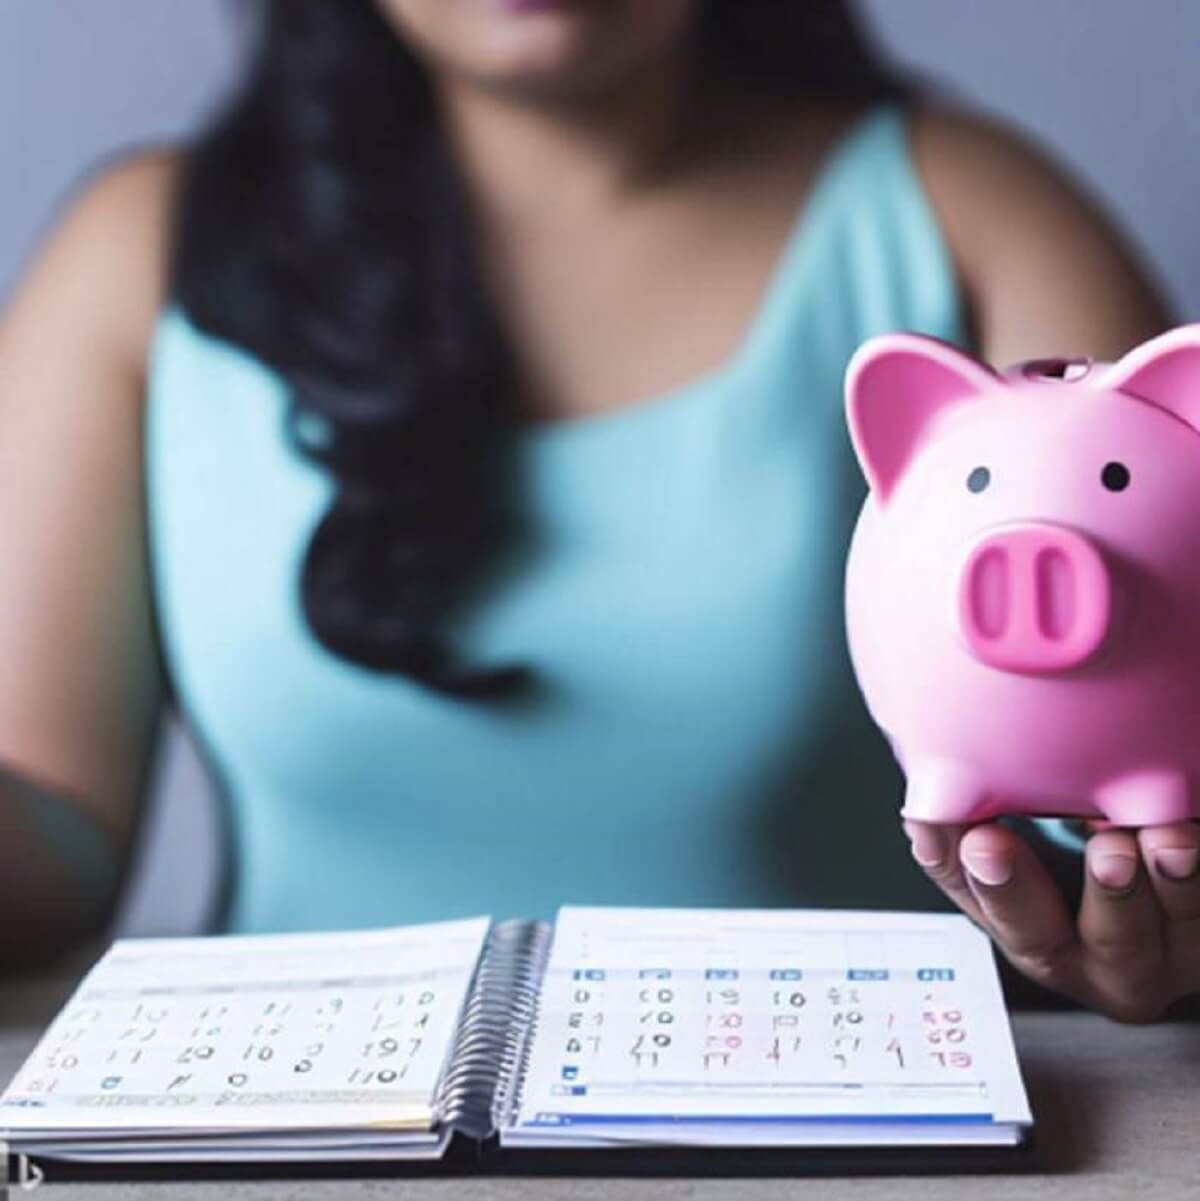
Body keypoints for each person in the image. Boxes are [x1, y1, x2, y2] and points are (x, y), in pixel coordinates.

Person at [0, 0, 1193, 1022]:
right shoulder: (137, 253)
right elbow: (55, 831)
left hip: (833, 1142)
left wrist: (1133, 919)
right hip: (275, 1139)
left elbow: (1152, 701)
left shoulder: (967, 214)